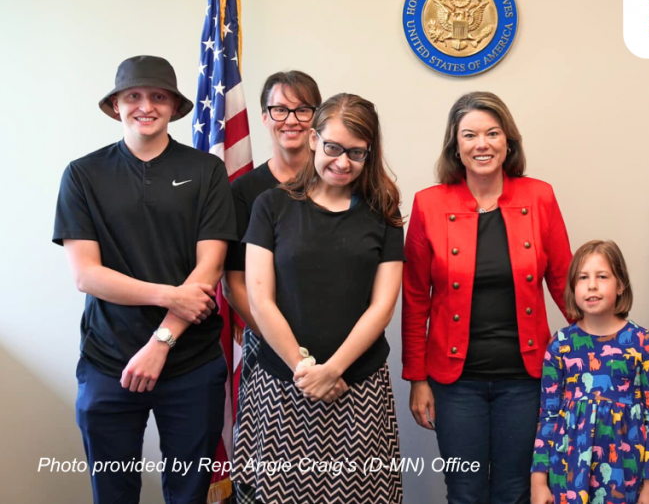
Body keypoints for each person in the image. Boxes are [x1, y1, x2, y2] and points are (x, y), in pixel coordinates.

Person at [53, 55, 235, 503]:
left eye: (157, 96)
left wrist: (161, 343)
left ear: (174, 105)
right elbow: (86, 275)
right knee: (113, 493)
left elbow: (209, 267)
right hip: (108, 362)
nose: (145, 106)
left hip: (190, 362)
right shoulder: (82, 174)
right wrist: (170, 295)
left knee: (189, 493)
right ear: (116, 104)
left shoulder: (206, 170)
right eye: (133, 96)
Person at [231, 93, 404, 503]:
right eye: (333, 147)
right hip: (282, 381)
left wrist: (333, 371)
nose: (343, 162)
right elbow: (259, 299)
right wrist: (305, 369)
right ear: (313, 139)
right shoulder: (270, 205)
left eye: (357, 153)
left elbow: (382, 306)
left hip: (357, 386)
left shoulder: (384, 212)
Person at [402, 91, 572, 504]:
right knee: (465, 490)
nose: (483, 144)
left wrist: (598, 349)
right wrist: (417, 378)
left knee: (516, 490)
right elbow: (414, 299)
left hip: (526, 380)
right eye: (470, 135)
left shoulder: (540, 197)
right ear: (455, 146)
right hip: (455, 383)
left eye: (493, 133)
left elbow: (565, 282)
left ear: (508, 142)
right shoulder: (429, 204)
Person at [221, 70, 321, 440]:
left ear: (318, 117)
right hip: (269, 349)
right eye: (279, 110)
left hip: (337, 346)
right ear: (264, 117)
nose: (291, 120)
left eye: (302, 110)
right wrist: (286, 347)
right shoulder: (244, 192)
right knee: (274, 461)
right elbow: (234, 283)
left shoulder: (342, 182)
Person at [531, 240, 649, 504]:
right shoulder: (560, 345)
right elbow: (547, 416)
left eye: (602, 276)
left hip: (626, 475)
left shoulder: (642, 342)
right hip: (567, 474)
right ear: (573, 287)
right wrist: (538, 481)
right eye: (583, 278)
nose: (592, 285)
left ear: (620, 285)